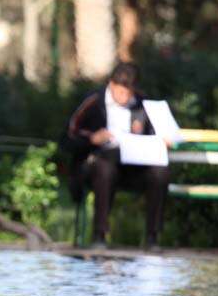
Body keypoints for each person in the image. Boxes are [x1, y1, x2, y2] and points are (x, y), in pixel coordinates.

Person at [59, 62, 170, 249]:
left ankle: (152, 237)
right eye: (120, 93)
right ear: (111, 84)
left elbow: (156, 133)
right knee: (105, 167)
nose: (124, 98)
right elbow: (67, 136)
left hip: (134, 166)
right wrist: (92, 139)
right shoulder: (94, 102)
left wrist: (162, 140)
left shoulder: (143, 104)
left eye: (128, 94)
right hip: (99, 165)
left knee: (161, 173)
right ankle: (99, 235)